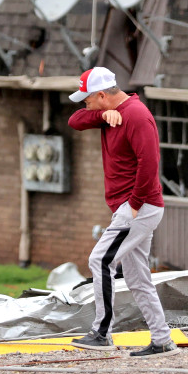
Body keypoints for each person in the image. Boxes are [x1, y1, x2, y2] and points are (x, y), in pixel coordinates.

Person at [66, 67, 176, 358]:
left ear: (101, 94)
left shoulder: (136, 116)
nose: (84, 104)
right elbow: (74, 121)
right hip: (133, 208)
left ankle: (102, 333)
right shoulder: (110, 114)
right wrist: (101, 115)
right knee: (138, 277)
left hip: (138, 207)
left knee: (100, 260)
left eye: (87, 99)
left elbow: (150, 163)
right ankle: (163, 340)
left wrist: (135, 205)